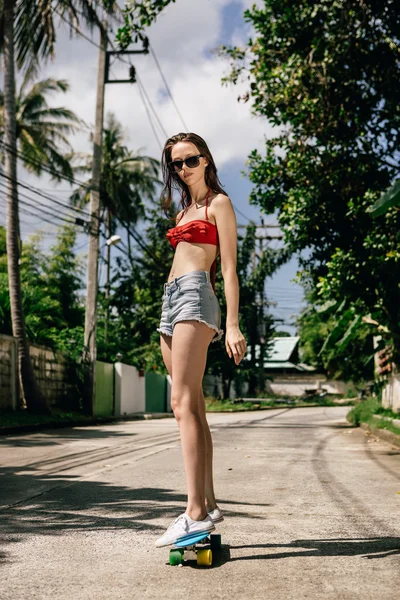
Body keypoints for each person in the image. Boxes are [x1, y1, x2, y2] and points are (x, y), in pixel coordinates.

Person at [155, 132, 247, 548]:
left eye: (190, 160)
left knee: (181, 403)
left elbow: (228, 269)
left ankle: (193, 514)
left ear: (206, 160)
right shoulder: (183, 212)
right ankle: (207, 504)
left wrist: (232, 325)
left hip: (195, 294)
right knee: (194, 405)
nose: (183, 169)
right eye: (176, 163)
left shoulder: (218, 204)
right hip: (170, 299)